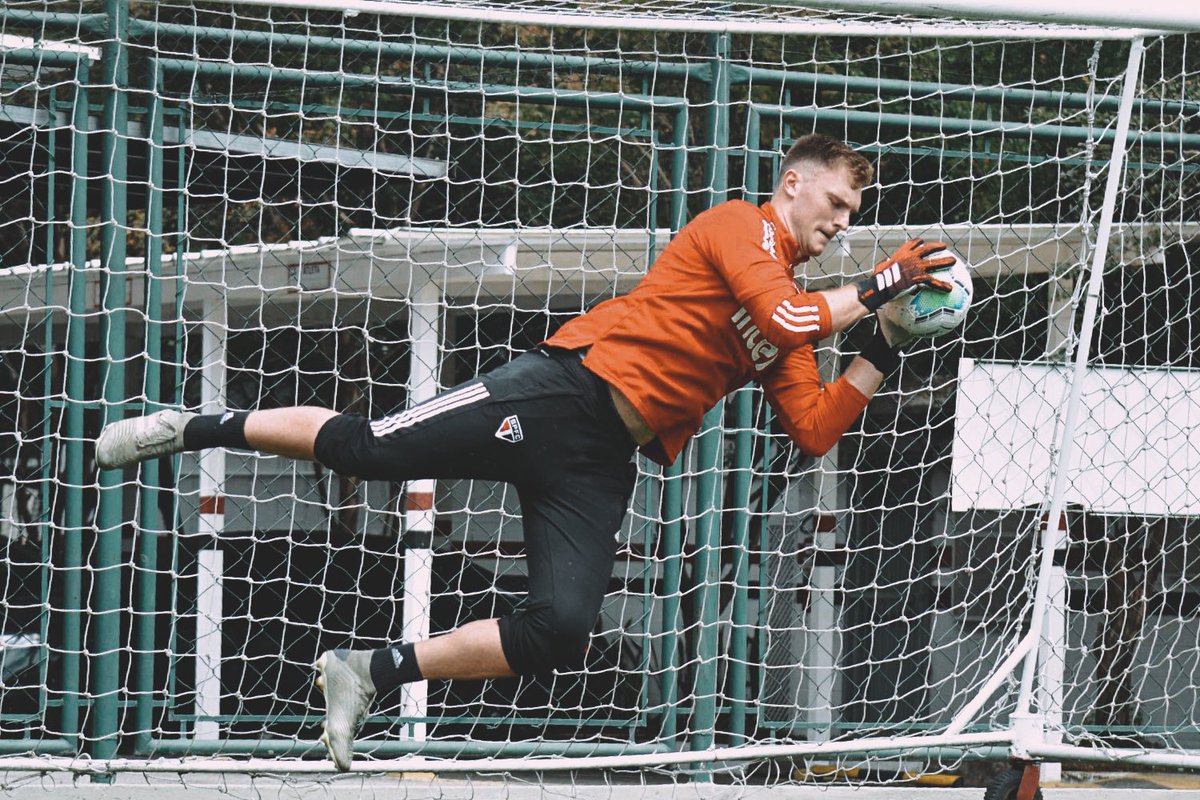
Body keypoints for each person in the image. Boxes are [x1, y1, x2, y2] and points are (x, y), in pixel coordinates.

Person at [95, 133, 954, 771]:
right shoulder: (740, 227)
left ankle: (367, 670)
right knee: (363, 451)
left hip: (601, 458)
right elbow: (787, 318)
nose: (842, 226)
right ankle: (189, 425)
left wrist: (881, 346)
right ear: (793, 185)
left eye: (853, 217)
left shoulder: (807, 309)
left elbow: (811, 425)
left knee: (561, 627)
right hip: (554, 395)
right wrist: (886, 281)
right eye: (836, 205)